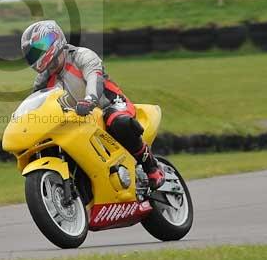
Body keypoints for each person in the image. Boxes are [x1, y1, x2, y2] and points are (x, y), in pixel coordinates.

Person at [20, 20, 165, 189]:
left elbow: (94, 78)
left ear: (55, 39)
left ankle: (151, 168)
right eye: (33, 53)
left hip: (109, 104)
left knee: (119, 123)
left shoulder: (82, 56)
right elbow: (36, 104)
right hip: (79, 118)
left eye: (39, 48)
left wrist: (90, 99)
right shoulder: (43, 80)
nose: (38, 55)